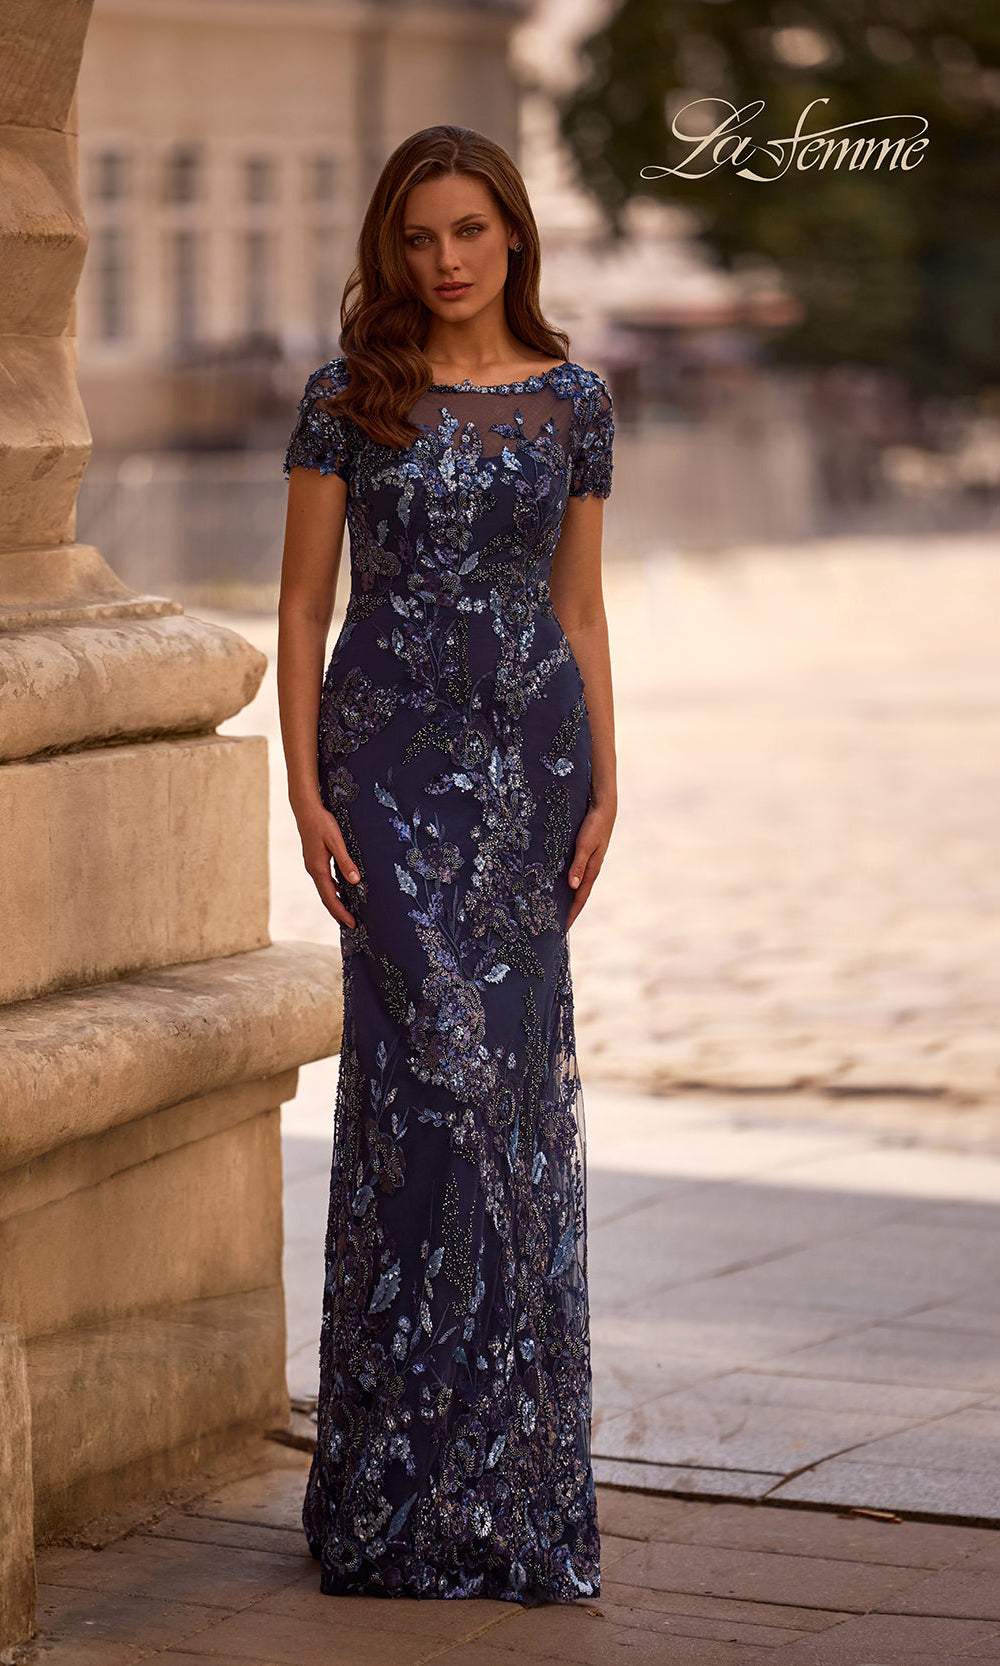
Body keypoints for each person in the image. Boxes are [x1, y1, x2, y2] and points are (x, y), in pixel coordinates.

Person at [277, 123, 616, 1605]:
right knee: (429, 1095)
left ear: (515, 238)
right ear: (390, 251)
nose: (446, 260)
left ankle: (510, 1490)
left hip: (527, 770)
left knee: (515, 1114)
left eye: (470, 230)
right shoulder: (349, 399)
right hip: (391, 775)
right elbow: (298, 612)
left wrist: (607, 779)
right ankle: (392, 1490)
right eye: (419, 238)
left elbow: (584, 613)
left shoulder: (575, 404)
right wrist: (304, 794)